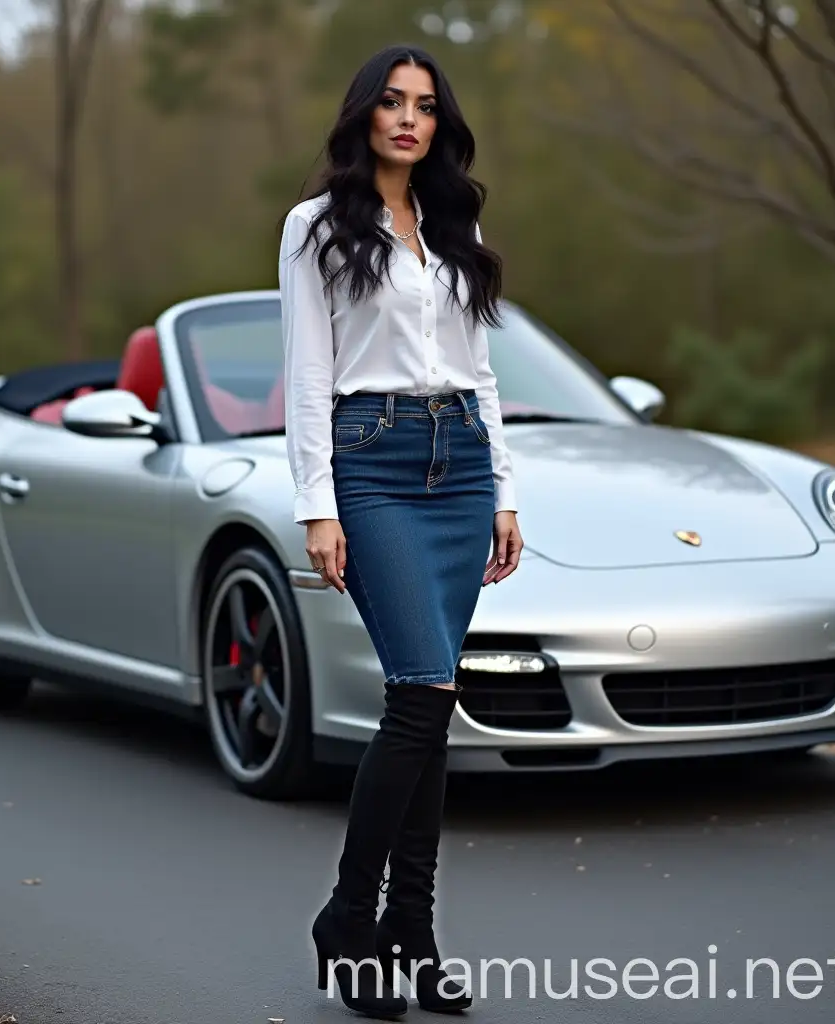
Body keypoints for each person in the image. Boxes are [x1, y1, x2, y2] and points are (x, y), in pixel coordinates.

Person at [278, 43, 523, 1019]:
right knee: (422, 695)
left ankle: (410, 935)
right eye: (390, 101)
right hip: (371, 463)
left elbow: (483, 372)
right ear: (363, 114)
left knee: (431, 700)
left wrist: (502, 491)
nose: (408, 119)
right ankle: (350, 914)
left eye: (424, 104)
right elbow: (304, 374)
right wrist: (316, 505)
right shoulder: (315, 228)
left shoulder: (454, 222)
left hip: (460, 464)